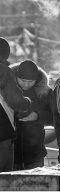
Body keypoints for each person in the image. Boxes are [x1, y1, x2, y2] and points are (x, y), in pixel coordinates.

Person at [10, 60, 53, 170]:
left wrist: (37, 115)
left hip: (35, 153)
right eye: (23, 80)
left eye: (30, 81)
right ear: (16, 77)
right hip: (11, 152)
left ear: (36, 79)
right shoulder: (6, 89)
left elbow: (53, 117)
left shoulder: (44, 93)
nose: (26, 84)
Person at [0, 38, 31, 172]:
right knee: (4, 181)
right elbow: (16, 101)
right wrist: (28, 103)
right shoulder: (3, 71)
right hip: (2, 134)